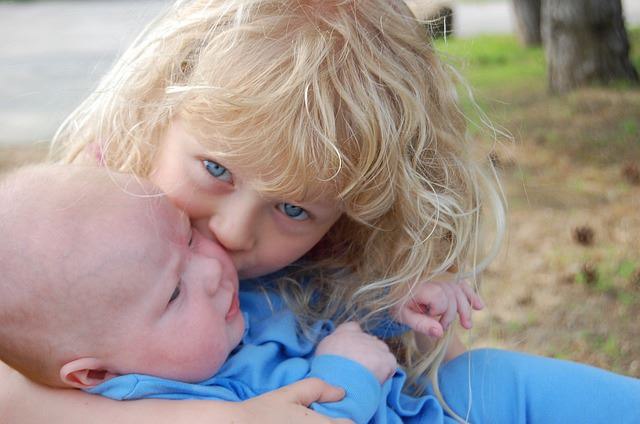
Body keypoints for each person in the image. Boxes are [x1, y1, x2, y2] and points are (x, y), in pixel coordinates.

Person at [1, 0, 639, 423]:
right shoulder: (115, 335)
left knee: (497, 378)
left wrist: (394, 305)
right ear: (158, 116)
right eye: (216, 169)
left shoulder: (191, 294)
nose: (225, 240)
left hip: (447, 402)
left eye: (293, 208)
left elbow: (313, 320)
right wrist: (333, 377)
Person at [0, 164, 484, 424]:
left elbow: (323, 326)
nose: (212, 267)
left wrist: (392, 307)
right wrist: (345, 375)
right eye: (173, 294)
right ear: (97, 373)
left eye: (188, 236)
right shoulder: (170, 399)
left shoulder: (231, 312)